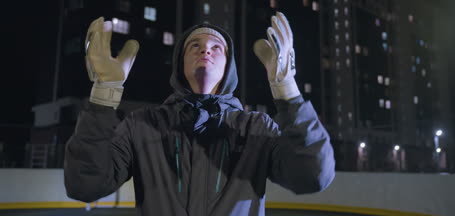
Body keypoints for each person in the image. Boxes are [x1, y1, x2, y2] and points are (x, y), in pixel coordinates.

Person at [64, 12, 335, 216]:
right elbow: (85, 184)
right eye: (194, 45)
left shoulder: (256, 128)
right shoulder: (142, 125)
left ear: (229, 67)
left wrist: (288, 91)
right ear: (180, 64)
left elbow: (312, 175)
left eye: (217, 47)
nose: (205, 49)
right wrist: (103, 94)